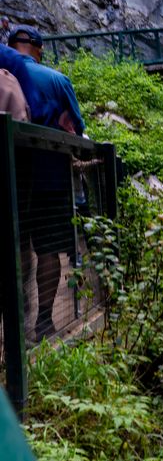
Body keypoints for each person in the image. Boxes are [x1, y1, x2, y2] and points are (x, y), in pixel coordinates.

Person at [8, 25, 86, 340]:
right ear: (39, 49)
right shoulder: (55, 80)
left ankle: (12, 328)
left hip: (11, 175)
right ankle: (42, 322)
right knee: (49, 251)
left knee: (17, 247)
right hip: (49, 179)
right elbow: (77, 130)